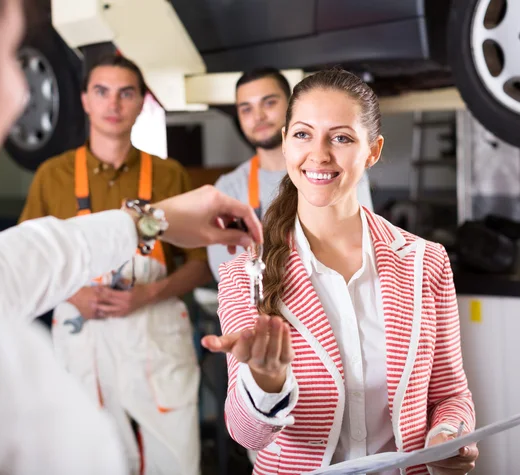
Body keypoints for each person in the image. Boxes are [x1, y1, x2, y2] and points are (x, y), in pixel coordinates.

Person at [0, 1, 262, 473]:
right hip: (84, 343)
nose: (23, 94)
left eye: (126, 93)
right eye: (8, 58)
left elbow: (26, 258)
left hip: (152, 339)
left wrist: (151, 221)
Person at [202, 68, 479, 475]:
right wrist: (265, 384)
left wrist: (448, 434)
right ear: (284, 141)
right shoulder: (246, 274)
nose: (319, 154)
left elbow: (450, 394)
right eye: (302, 134)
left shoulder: (426, 261)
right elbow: (247, 435)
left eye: (341, 137)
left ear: (373, 150)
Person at [18, 54, 211, 475]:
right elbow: (29, 261)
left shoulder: (169, 175)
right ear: (85, 100)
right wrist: (72, 293)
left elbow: (200, 264)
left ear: (142, 102)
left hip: (155, 335)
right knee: (92, 461)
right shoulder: (52, 175)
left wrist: (150, 293)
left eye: (126, 93)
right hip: (83, 333)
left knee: (178, 462)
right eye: (102, 92)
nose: (114, 104)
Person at [207, 67, 374, 282]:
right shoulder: (227, 189)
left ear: (290, 107)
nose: (258, 116)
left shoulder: (338, 172)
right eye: (246, 109)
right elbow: (230, 277)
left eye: (269, 103)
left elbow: (361, 247)